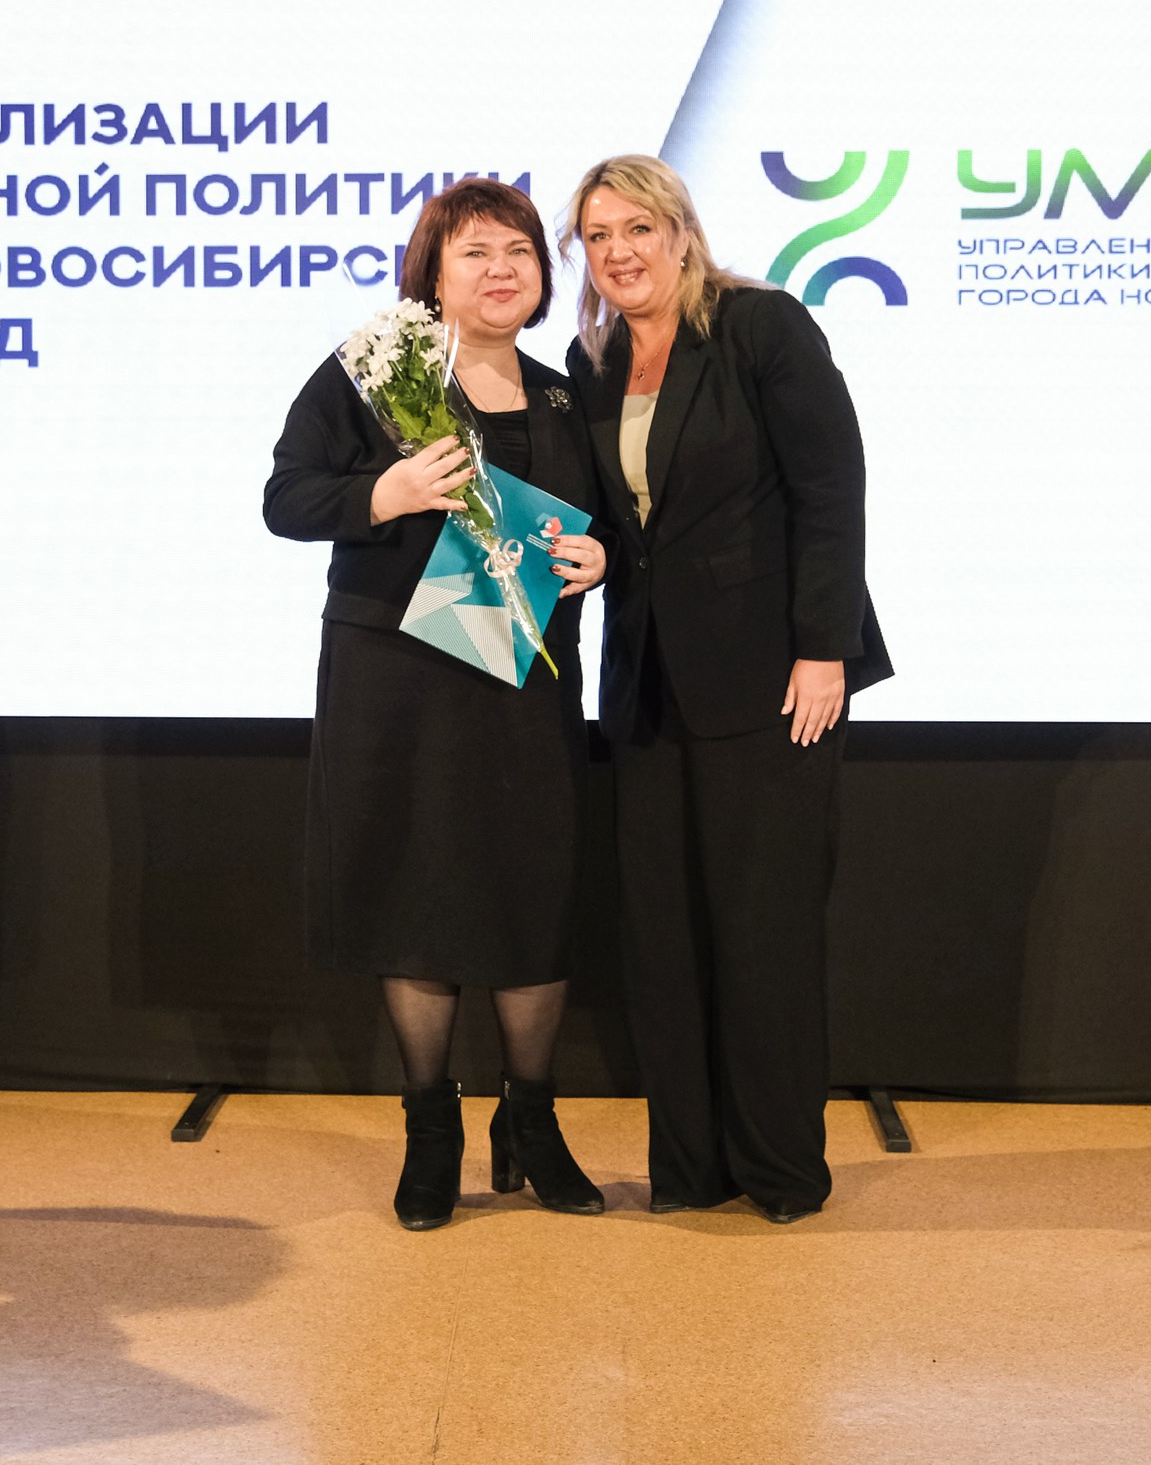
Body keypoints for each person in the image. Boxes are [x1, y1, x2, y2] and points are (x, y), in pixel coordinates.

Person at [264, 177, 610, 1230]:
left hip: (524, 676)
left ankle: (532, 1120)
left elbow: (603, 525)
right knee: (413, 891)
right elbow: (287, 496)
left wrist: (600, 558)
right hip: (396, 679)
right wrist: (388, 493)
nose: (501, 270)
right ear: (433, 273)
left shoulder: (567, 394)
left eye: (519, 251)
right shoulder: (375, 376)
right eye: (475, 253)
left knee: (533, 891)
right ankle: (431, 1130)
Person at [559, 154, 891, 1224]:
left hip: (773, 682)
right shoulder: (592, 362)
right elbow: (626, 523)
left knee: (764, 931)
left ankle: (781, 1169)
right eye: (598, 236)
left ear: (681, 232)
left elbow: (830, 488)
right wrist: (592, 555)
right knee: (664, 938)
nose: (618, 252)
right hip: (648, 689)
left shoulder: (761, 328)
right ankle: (692, 1169)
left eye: (636, 229)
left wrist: (823, 648)